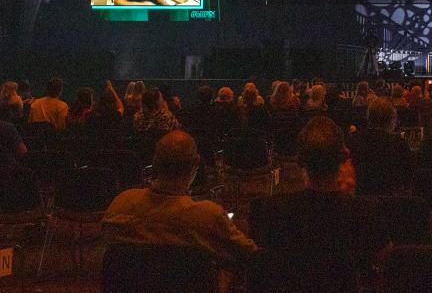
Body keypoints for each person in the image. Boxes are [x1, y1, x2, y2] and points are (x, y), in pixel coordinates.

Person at [247, 117, 387, 291]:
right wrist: (349, 198)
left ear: (300, 159)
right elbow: (385, 260)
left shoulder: (273, 210)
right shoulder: (364, 211)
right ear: (344, 156)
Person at [103, 130, 256, 267]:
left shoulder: (120, 205)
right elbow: (251, 256)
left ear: (154, 163)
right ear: (196, 164)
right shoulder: (208, 217)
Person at [346, 98, 414, 195]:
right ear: (392, 119)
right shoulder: (399, 144)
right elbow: (408, 177)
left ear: (369, 117)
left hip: (358, 199)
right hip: (390, 201)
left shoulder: (353, 139)